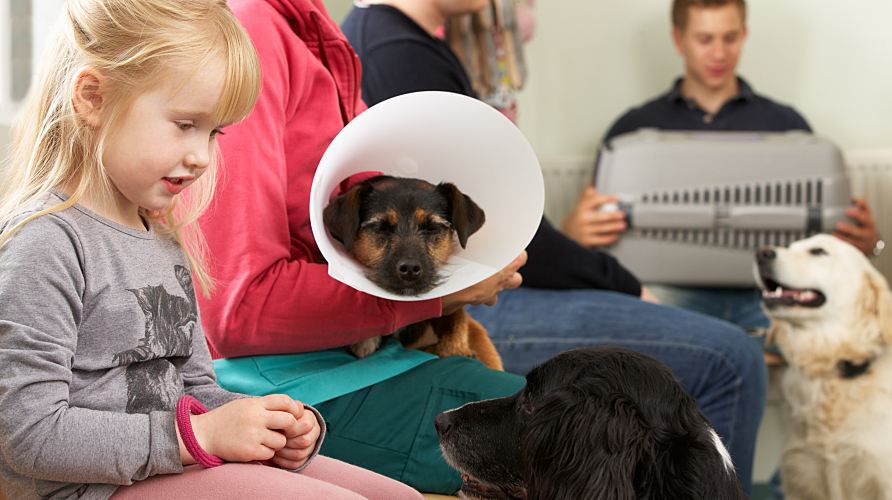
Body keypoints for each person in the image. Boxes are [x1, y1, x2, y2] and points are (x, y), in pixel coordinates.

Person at [342, 0, 768, 492]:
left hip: (489, 285)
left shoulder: (403, 42)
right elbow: (525, 241)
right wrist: (626, 285)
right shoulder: (397, 51)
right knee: (731, 358)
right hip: (478, 298)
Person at [0, 1, 419, 499]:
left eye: (215, 133)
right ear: (92, 98)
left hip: (168, 463)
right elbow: (26, 435)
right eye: (185, 125)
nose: (202, 157)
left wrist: (266, 430)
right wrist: (199, 436)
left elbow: (195, 389)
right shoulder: (45, 242)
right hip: (88, 489)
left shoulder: (161, 237)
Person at [196, 0, 530, 496]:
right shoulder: (253, 33)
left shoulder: (316, 32)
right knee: (601, 436)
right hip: (286, 389)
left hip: (357, 361)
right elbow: (235, 310)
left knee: (604, 415)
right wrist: (437, 295)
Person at [579, 0, 882, 331]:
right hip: (670, 293)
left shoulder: (786, 125)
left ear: (745, 35)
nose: (719, 53)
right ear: (679, 40)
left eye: (730, 37)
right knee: (629, 324)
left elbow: (818, 245)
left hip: (770, 294)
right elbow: (597, 230)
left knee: (845, 326)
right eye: (705, 39)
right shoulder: (633, 131)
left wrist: (868, 244)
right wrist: (576, 231)